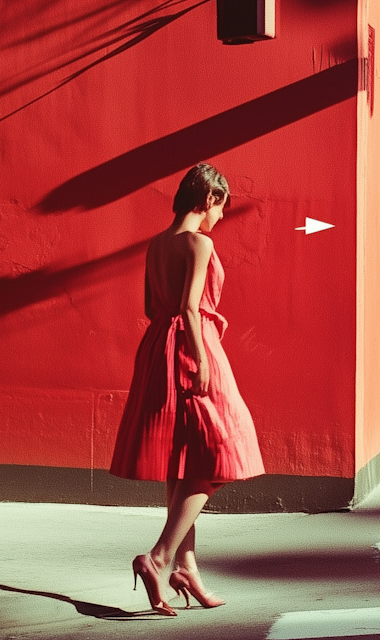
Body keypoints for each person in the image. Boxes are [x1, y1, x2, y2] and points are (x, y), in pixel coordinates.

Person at [109, 163, 264, 615]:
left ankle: (187, 568)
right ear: (211, 199)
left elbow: (150, 306)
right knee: (222, 452)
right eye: (221, 208)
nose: (220, 219)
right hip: (192, 346)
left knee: (184, 458)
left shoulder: (155, 245)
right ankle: (158, 558)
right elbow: (190, 307)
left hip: (157, 345)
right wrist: (199, 359)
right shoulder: (200, 242)